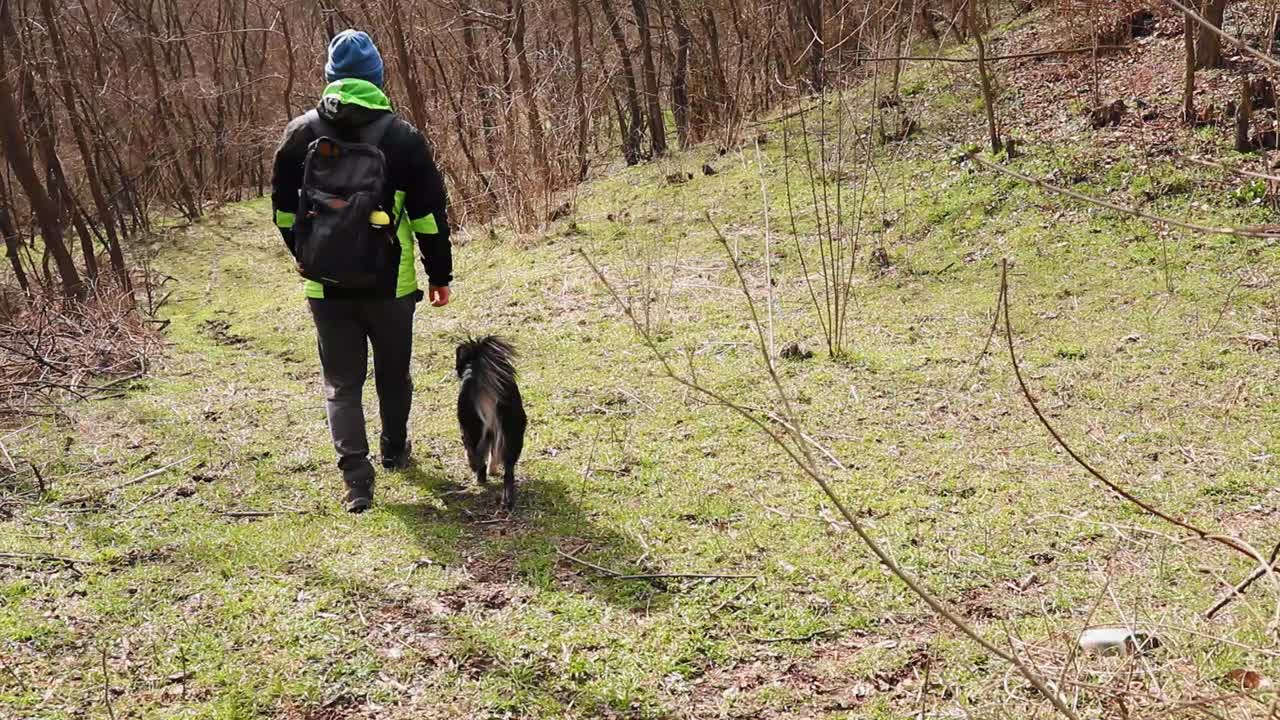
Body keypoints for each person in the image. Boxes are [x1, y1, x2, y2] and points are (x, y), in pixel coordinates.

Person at [270, 29, 452, 513]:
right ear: (378, 78)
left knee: (341, 382)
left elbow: (285, 215)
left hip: (324, 286)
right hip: (391, 284)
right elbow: (429, 217)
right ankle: (395, 449)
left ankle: (357, 482)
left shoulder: (300, 133)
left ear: (330, 78)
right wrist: (440, 275)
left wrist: (309, 256)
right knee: (394, 374)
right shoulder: (402, 137)